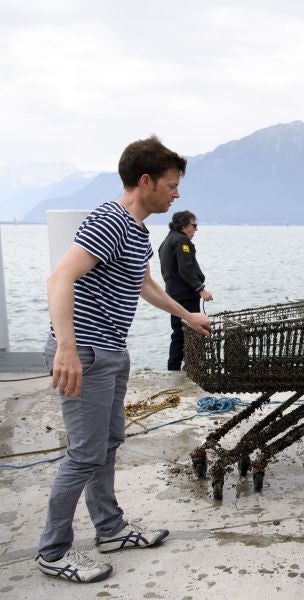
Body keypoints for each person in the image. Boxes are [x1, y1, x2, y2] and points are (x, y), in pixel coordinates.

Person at [36, 136, 211, 583]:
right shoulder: (109, 221)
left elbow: (144, 284)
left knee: (107, 445)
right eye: (172, 185)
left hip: (112, 350)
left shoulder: (138, 230)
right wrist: (67, 348)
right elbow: (60, 278)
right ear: (146, 180)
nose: (177, 194)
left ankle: (110, 529)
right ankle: (53, 552)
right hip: (87, 352)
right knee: (83, 454)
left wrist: (187, 315)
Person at [158, 210, 213, 370]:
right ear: (183, 226)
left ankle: (173, 368)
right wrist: (200, 289)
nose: (196, 229)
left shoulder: (167, 241)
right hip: (186, 295)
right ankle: (195, 367)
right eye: (194, 225)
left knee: (178, 333)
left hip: (173, 295)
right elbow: (185, 268)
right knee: (194, 331)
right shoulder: (182, 242)